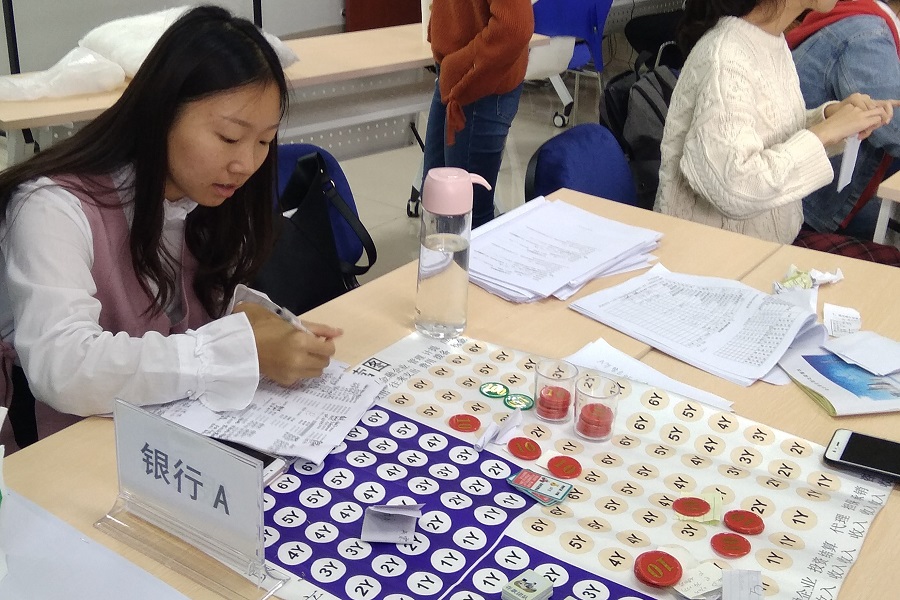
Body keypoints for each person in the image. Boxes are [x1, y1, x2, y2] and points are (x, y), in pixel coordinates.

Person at [0, 6, 341, 449]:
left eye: (264, 140)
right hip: (68, 446)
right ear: (161, 113)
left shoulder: (208, 195)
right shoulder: (52, 206)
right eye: (228, 137)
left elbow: (187, 306)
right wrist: (239, 350)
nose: (246, 163)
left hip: (168, 434)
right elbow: (62, 368)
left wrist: (253, 319)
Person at [654, 0, 897, 245]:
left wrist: (829, 118)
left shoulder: (768, 41)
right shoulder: (726, 55)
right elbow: (733, 187)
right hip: (714, 255)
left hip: (762, 246)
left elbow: (768, 132)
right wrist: (823, 133)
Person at [788, 0, 900, 240]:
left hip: (804, 188)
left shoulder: (860, 15)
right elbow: (894, 128)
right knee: (890, 250)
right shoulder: (869, 34)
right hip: (804, 205)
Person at [421, 0, 534, 228]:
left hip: (480, 82)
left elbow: (515, 27)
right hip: (457, 73)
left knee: (465, 218)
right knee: (438, 203)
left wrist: (460, 64)